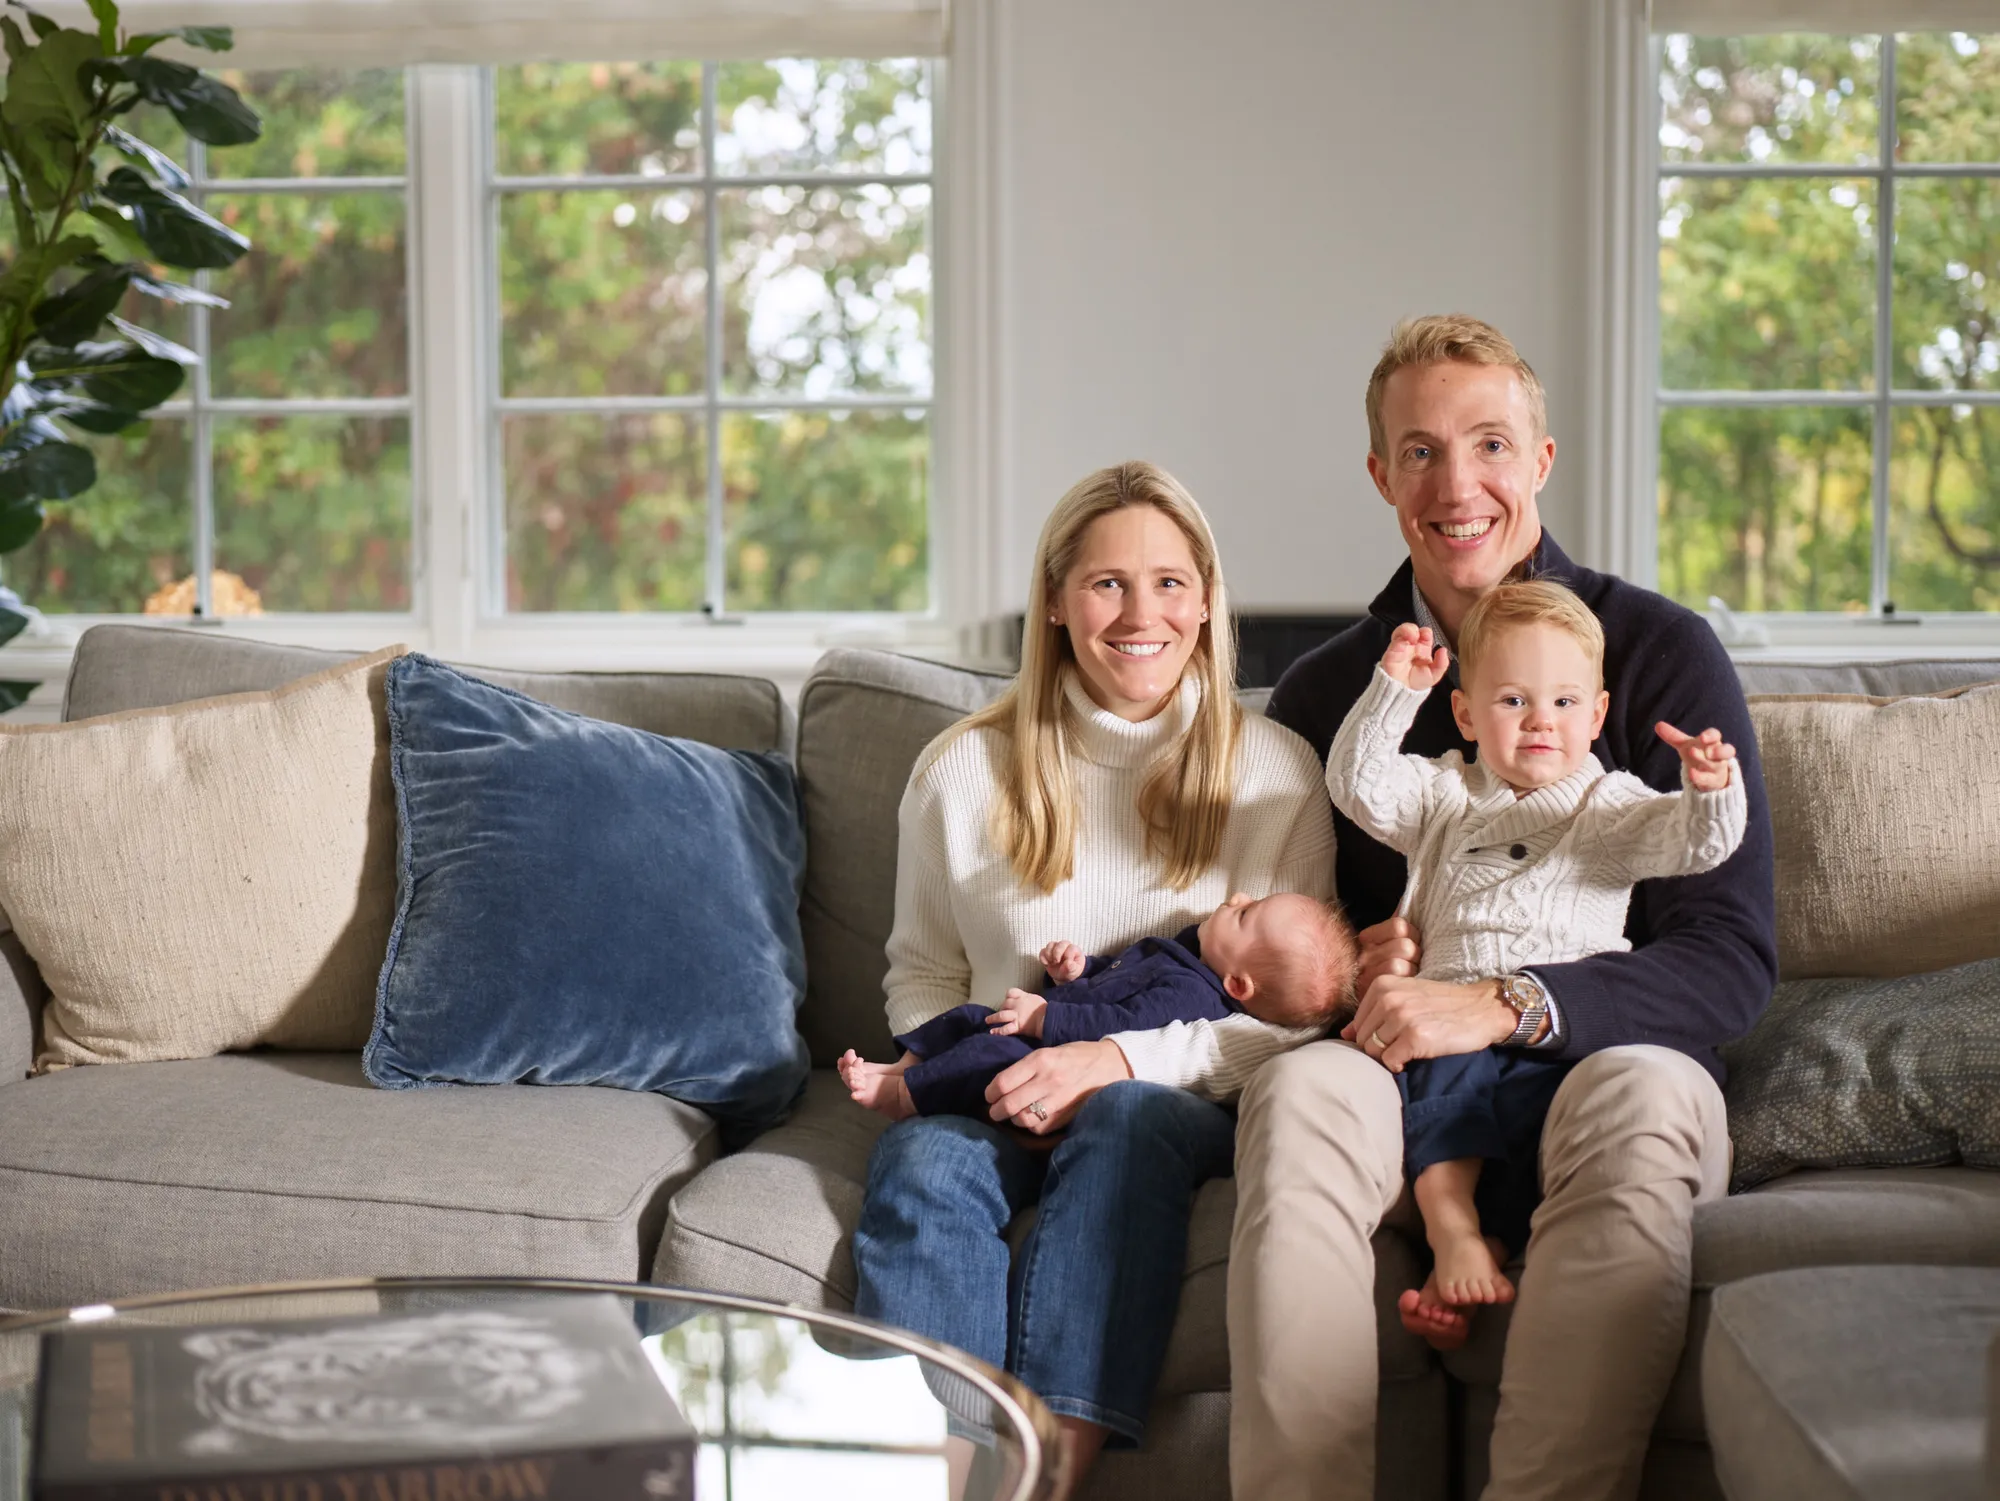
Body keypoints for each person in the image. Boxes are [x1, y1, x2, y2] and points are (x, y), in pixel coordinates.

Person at [1229, 314, 1777, 1501]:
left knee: (1647, 1089)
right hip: (1402, 1083)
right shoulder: (1334, 691)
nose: (1455, 482)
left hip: (1606, 1063)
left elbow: (1728, 957)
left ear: (1539, 460)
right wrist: (1348, 967)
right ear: (1380, 477)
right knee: (1302, 1089)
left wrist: (1501, 1002)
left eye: (1487, 443)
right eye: (1418, 452)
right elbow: (1291, 946)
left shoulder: (1657, 651)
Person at [850, 460, 1337, 1496]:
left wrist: (1107, 1057)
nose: (1139, 612)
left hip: (1169, 1104)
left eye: (1168, 581)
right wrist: (987, 1066)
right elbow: (922, 968)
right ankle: (964, 1465)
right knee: (921, 1164)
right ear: (1057, 603)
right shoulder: (959, 768)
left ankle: (1048, 1476)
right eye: (1106, 583)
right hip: (993, 1086)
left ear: (1205, 599)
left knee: (1119, 1122)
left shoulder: (1275, 771)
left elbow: (1295, 1024)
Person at [1326, 583, 1746, 1348]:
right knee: (1443, 1085)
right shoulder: (1445, 791)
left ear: (1595, 715)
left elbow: (1692, 843)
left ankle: (1488, 1251)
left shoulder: (1612, 808)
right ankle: (1454, 1233)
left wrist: (1709, 790)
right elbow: (1358, 785)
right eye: (1513, 700)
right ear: (1465, 714)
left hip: (1562, 1038)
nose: (1540, 721)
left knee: (1557, 1126)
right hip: (1452, 1035)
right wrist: (1392, 692)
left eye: (1562, 701)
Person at [838, 891, 1357, 1121]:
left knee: (981, 1055)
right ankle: (902, 1065)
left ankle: (905, 1098)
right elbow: (1117, 980)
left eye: (1246, 915)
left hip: (1048, 1053)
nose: (1238, 896)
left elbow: (1120, 1026)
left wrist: (1045, 1015)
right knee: (967, 1018)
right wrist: (1078, 970)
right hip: (1040, 1024)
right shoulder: (1186, 955)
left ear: (1239, 986)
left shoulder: (1193, 997)